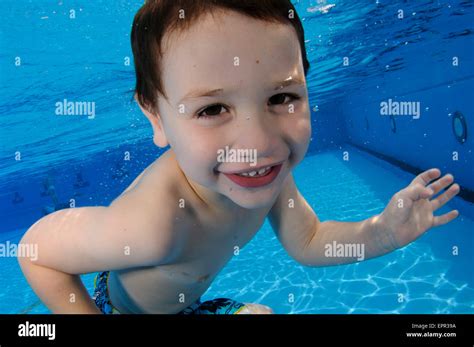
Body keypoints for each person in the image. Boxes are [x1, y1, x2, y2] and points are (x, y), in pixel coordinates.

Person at [18, 0, 459, 314]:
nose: (258, 143)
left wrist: (382, 232)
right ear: (155, 116)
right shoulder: (151, 225)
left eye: (282, 96)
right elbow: (35, 252)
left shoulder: (266, 173)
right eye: (212, 109)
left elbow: (307, 241)